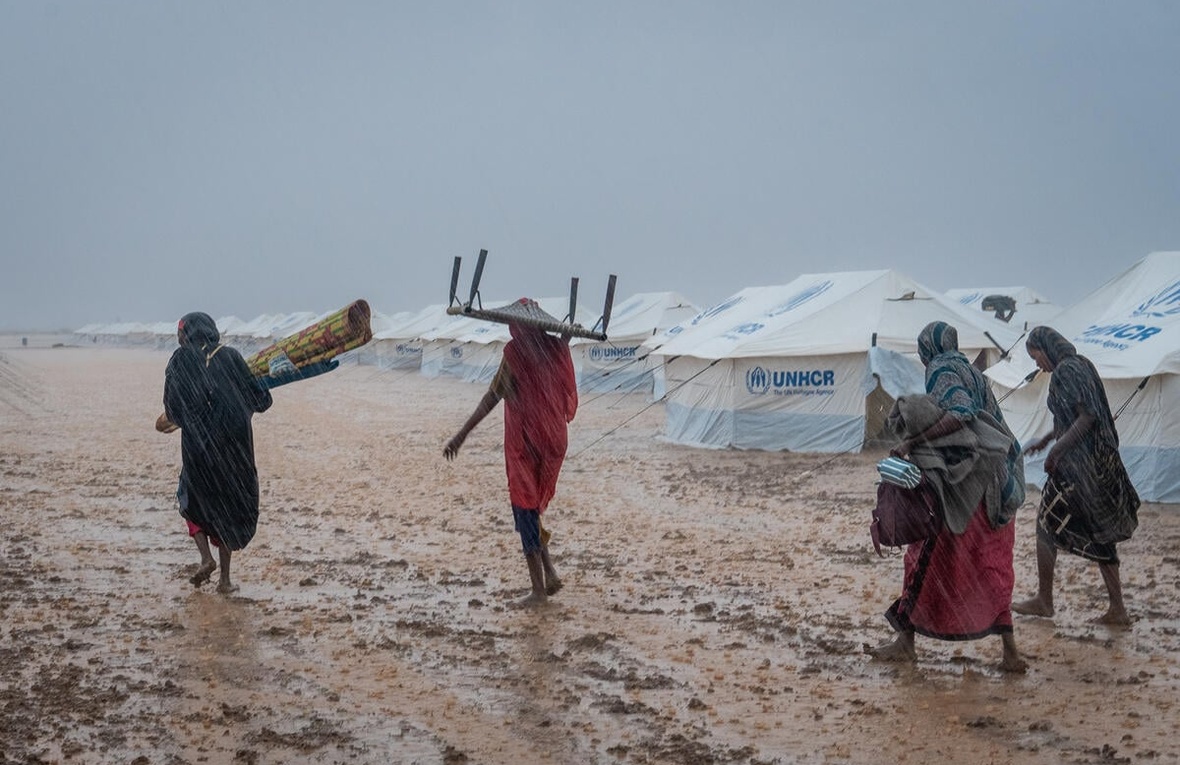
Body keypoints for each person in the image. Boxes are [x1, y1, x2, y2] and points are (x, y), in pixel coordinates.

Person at [866, 321, 1028, 672]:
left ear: (927, 349)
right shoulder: (972, 371)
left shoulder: (942, 369)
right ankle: (1010, 653)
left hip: (966, 488)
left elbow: (960, 413)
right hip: (996, 485)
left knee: (923, 558)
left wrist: (912, 442)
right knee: (990, 566)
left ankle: (905, 642)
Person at [443, 300, 578, 606]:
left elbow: (491, 398)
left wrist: (461, 436)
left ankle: (538, 591)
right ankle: (551, 573)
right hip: (554, 442)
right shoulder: (555, 348)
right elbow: (563, 356)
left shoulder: (516, 355)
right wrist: (565, 337)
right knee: (530, 509)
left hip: (526, 444)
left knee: (524, 508)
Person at [1012, 326, 1139, 625]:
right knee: (1100, 531)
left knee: (1046, 523)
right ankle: (1117, 607)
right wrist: (1046, 440)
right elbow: (1072, 417)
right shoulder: (1083, 365)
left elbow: (1087, 418)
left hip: (1080, 468)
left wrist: (1056, 452)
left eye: (1036, 356)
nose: (1037, 364)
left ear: (1047, 348)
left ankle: (1045, 600)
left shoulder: (1065, 372)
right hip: (1099, 465)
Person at [158, 312, 272, 593]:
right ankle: (225, 580)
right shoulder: (231, 356)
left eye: (180, 334)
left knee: (190, 498)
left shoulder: (180, 360)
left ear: (186, 334)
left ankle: (205, 558)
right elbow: (261, 400)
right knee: (228, 506)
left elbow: (173, 410)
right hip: (235, 449)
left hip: (198, 450)